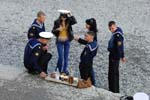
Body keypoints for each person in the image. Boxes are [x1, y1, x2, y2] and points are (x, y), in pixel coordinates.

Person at [52, 10, 77, 75]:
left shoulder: (69, 21)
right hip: (59, 41)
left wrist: (70, 14)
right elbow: (53, 31)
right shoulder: (56, 22)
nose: (64, 19)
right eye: (62, 17)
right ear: (60, 17)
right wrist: (57, 29)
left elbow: (75, 21)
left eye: (65, 17)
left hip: (67, 41)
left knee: (66, 57)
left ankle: (64, 70)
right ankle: (58, 70)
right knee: (60, 57)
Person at [74, 18, 98, 86]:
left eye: (87, 24)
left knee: (88, 72)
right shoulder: (91, 33)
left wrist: (79, 39)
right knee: (90, 70)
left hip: (86, 62)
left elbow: (88, 44)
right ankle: (92, 83)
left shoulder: (91, 40)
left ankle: (89, 83)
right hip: (88, 61)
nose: (86, 25)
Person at [107, 21, 126, 93]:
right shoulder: (117, 31)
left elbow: (120, 47)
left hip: (114, 56)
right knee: (113, 72)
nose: (111, 30)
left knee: (113, 73)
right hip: (114, 55)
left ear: (115, 26)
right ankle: (113, 88)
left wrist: (121, 56)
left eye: (112, 28)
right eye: (110, 29)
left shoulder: (118, 35)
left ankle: (114, 90)